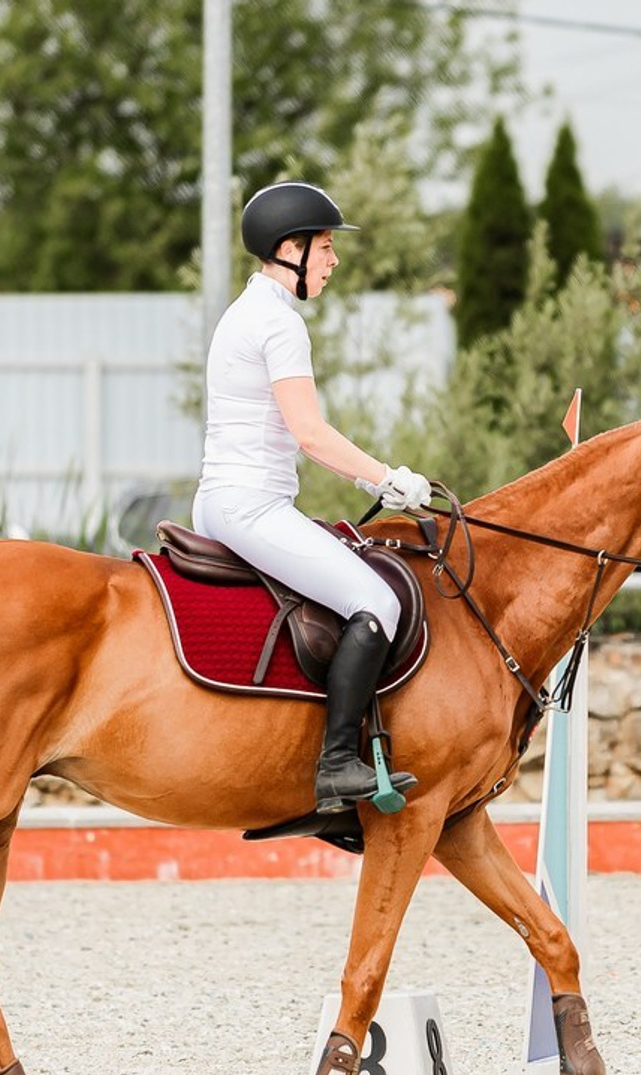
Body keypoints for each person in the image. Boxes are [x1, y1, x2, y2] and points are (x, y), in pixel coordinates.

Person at [193, 180, 430, 814]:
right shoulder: (278, 323)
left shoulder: (245, 311)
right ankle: (336, 766)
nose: (332, 260)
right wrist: (388, 479)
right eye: (324, 247)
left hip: (227, 499)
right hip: (252, 506)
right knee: (376, 600)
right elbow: (310, 433)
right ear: (290, 248)